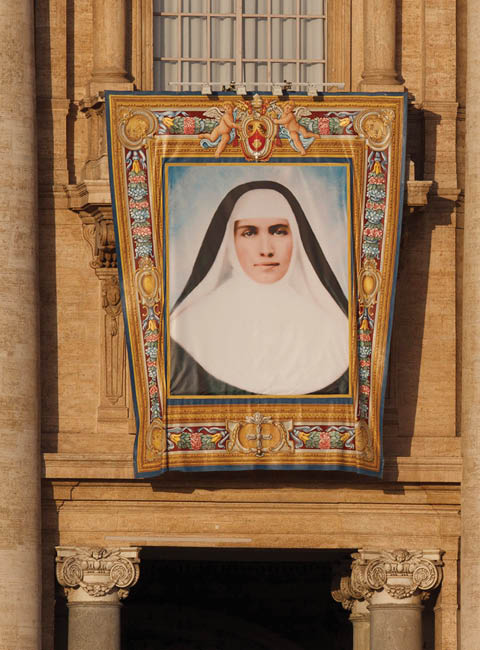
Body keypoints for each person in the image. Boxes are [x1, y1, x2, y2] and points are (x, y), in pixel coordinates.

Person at [169, 180, 349, 396]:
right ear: (229, 241)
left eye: (279, 232)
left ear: (296, 237)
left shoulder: (334, 329)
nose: (266, 249)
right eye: (249, 233)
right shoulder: (188, 328)